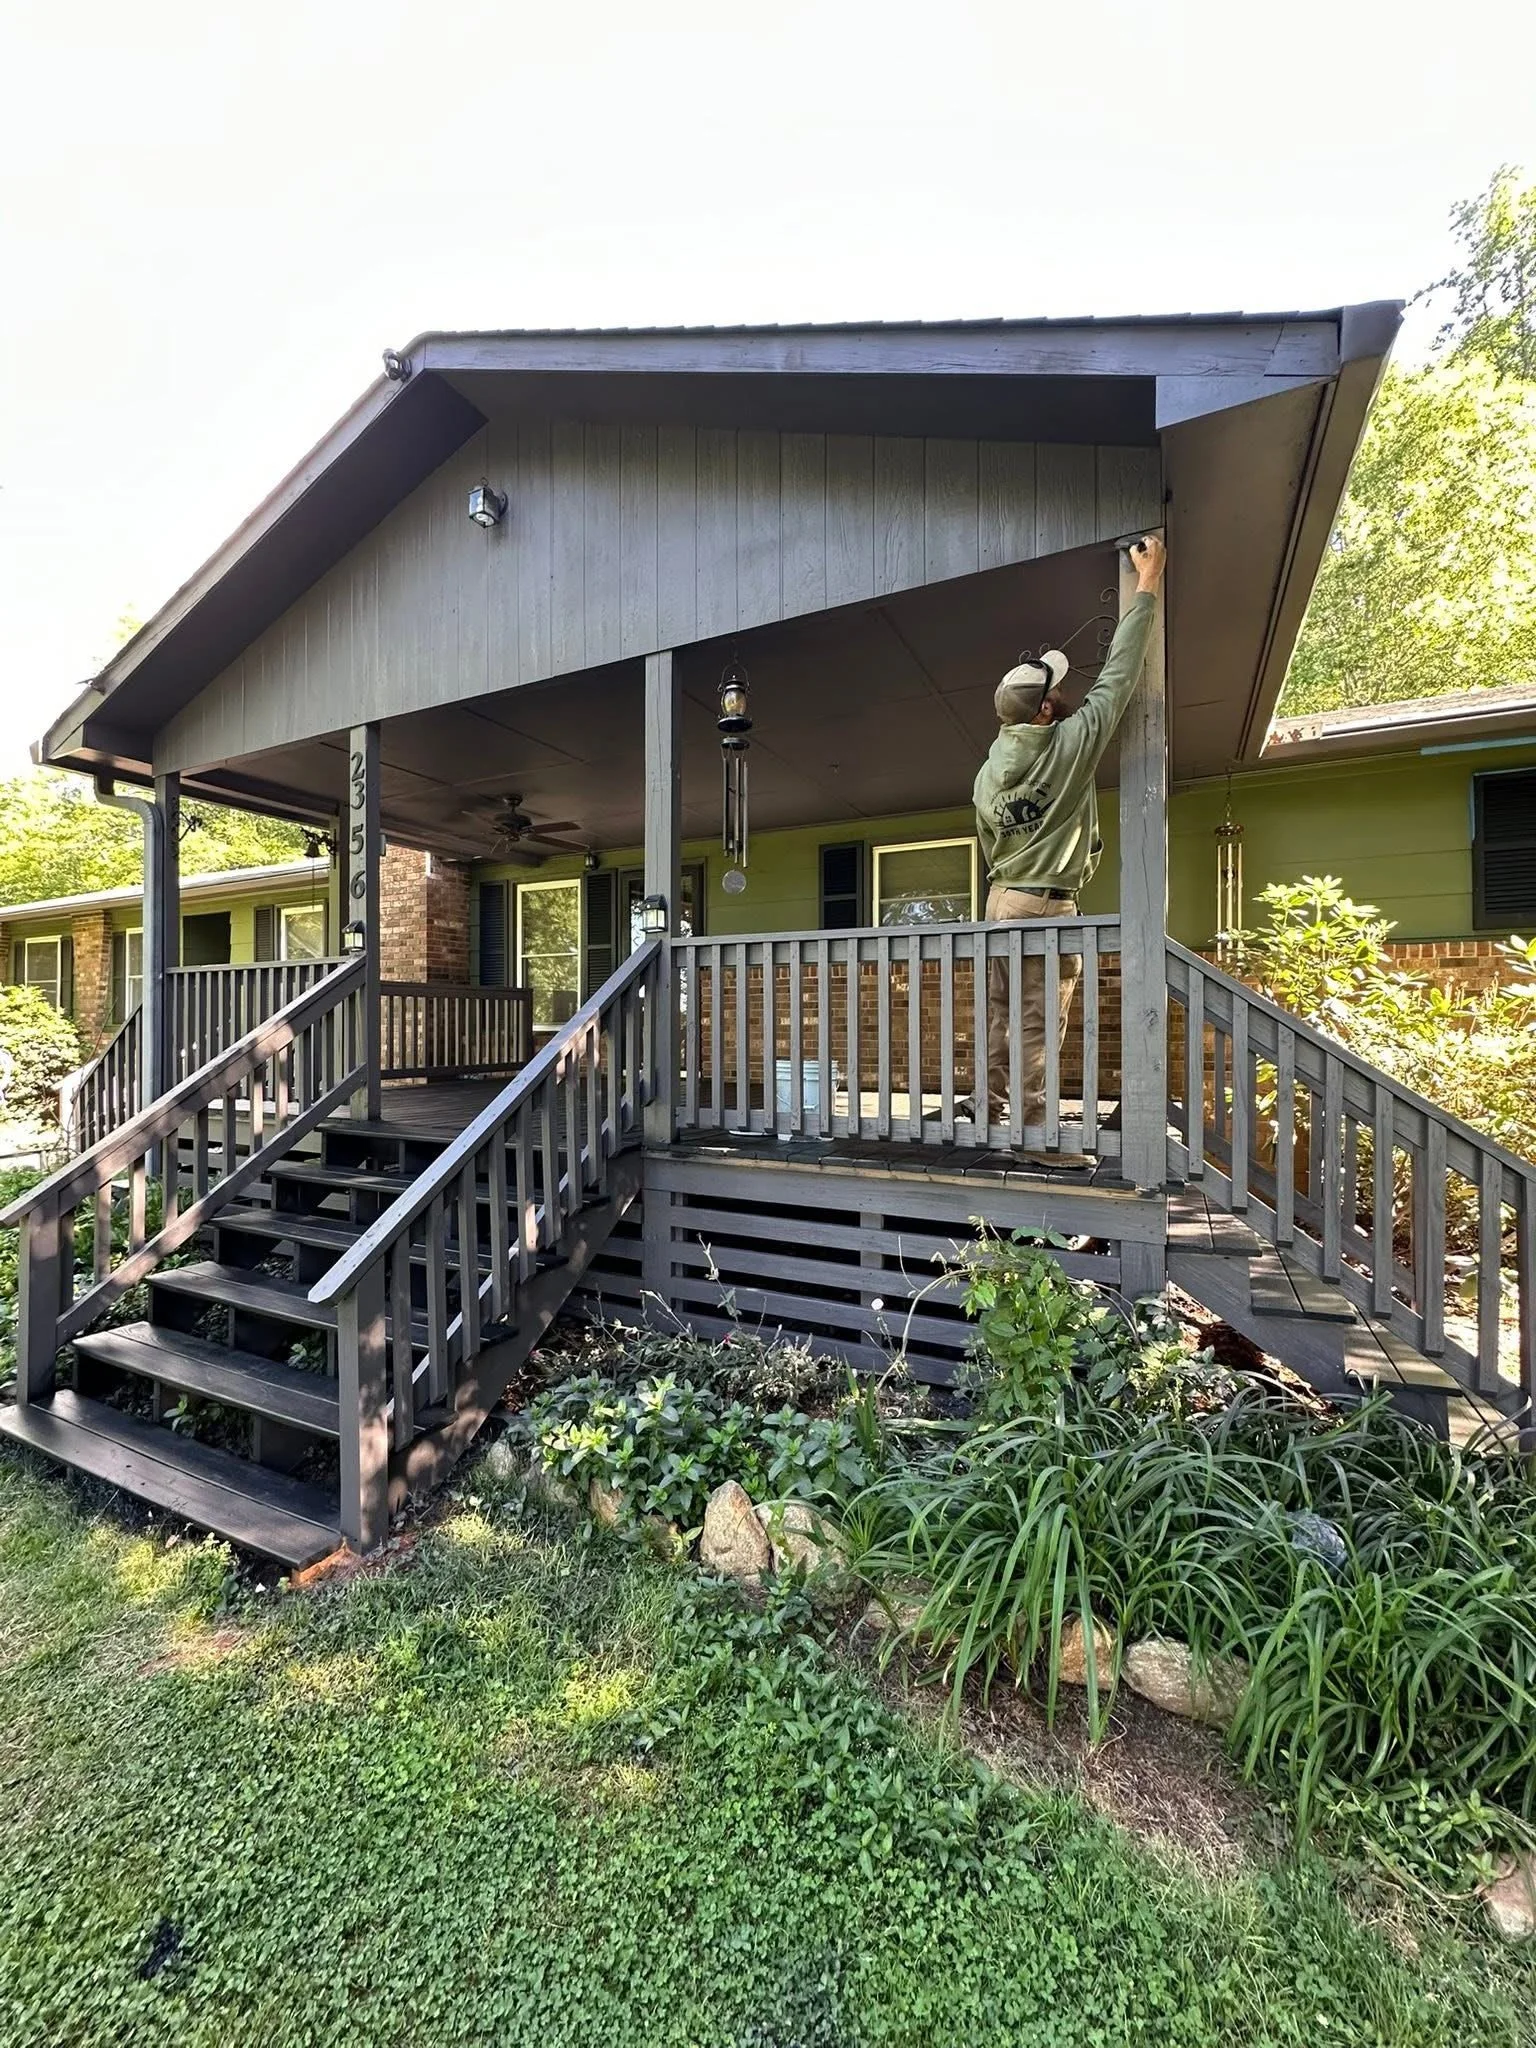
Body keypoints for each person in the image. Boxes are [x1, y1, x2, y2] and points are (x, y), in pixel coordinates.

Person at [969, 532, 1167, 1131]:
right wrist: (1147, 584)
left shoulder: (987, 773)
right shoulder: (1069, 744)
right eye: (1055, 688)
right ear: (1046, 710)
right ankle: (1033, 1134)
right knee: (1037, 1021)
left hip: (999, 898)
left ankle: (990, 1111)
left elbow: (989, 841)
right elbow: (1119, 676)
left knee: (999, 1012)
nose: (1063, 688)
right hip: (1045, 904)